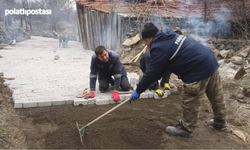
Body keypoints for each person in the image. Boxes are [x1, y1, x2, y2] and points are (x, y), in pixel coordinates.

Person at [129, 22, 227, 138]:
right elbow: (161, 69)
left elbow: (151, 73)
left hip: (196, 69)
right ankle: (220, 120)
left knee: (190, 99)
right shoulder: (168, 35)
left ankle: (186, 128)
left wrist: (138, 90)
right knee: (215, 94)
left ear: (151, 37)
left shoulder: (159, 47)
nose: (145, 44)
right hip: (209, 60)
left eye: (146, 40)